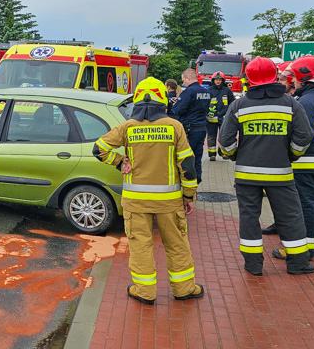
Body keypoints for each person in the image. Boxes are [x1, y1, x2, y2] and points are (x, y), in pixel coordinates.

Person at [94, 77, 203, 304]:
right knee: (176, 244)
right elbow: (188, 166)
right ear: (163, 100)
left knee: (141, 246)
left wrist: (119, 160)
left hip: (136, 202)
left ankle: (144, 292)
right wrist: (189, 196)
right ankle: (184, 289)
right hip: (169, 202)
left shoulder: (128, 127)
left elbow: (99, 148)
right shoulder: (175, 127)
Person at [218, 56, 314, 276]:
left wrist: (234, 156)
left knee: (249, 217)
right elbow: (304, 136)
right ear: (275, 77)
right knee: (290, 216)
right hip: (280, 173)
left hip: (246, 175)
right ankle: (298, 264)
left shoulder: (239, 105)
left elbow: (225, 141)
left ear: (249, 79)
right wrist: (291, 155)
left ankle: (253, 265)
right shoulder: (291, 103)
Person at [267, 55, 314, 258]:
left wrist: (290, 153)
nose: (293, 82)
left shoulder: (307, 100)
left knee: (305, 206)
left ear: (304, 77)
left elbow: (301, 133)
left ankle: (303, 250)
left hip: (306, 164)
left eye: (295, 77)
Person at [171, 69, 210, 183]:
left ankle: (186, 183)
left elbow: (178, 110)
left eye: (183, 80)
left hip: (189, 130)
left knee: (186, 158)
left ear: (188, 78)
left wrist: (175, 104)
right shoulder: (206, 91)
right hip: (202, 128)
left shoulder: (189, 91)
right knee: (198, 158)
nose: (183, 83)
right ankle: (196, 180)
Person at [205, 72, 235, 161]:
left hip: (224, 118)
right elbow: (205, 104)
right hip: (211, 118)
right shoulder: (208, 90)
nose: (218, 81)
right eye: (216, 80)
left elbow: (231, 103)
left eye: (219, 80)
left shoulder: (227, 91)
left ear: (222, 81)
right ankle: (212, 155)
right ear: (213, 80)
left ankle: (222, 153)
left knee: (223, 136)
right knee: (211, 136)